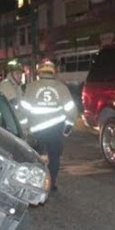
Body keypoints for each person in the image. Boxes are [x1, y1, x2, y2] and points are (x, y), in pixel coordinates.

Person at [20, 59, 76, 192]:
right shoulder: (61, 88)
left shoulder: (31, 87)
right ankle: (51, 184)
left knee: (35, 158)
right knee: (54, 157)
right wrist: (68, 127)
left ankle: (34, 184)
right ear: (53, 72)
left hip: (36, 130)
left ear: (39, 72)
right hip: (55, 130)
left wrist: (24, 128)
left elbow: (23, 111)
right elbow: (71, 110)